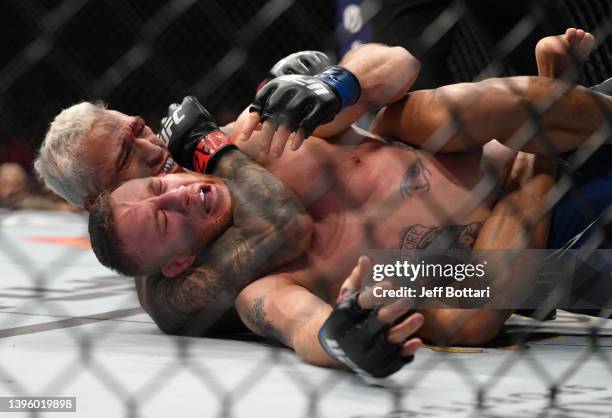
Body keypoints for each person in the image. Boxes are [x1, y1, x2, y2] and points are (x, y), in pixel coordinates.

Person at [89, 31, 612, 377]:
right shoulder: (240, 285)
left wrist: (336, 84)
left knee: (410, 115)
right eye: (165, 215)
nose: (178, 190)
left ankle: (553, 111)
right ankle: (541, 138)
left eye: (160, 185)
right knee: (462, 316)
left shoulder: (251, 135)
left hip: (550, 127)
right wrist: (340, 342)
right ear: (176, 261)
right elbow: (302, 326)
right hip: (550, 229)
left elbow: (398, 62)